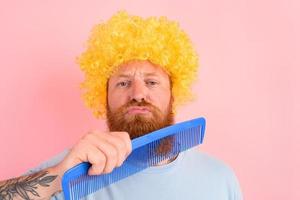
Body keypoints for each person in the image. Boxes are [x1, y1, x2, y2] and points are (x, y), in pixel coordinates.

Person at [0, 11, 243, 200]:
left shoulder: (219, 179)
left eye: (151, 82)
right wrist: (58, 175)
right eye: (123, 83)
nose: (138, 94)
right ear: (103, 96)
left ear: (174, 94)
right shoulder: (74, 168)